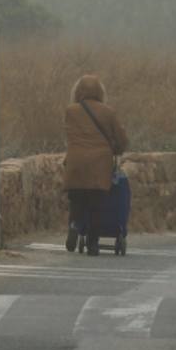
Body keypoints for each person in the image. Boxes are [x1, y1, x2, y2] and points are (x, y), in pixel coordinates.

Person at [63, 74, 129, 256]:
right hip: (99, 165)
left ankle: (75, 225)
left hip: (76, 163)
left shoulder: (71, 111)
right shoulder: (108, 112)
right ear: (100, 92)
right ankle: (93, 244)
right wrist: (116, 149)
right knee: (97, 205)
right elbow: (122, 140)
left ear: (78, 91)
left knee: (76, 199)